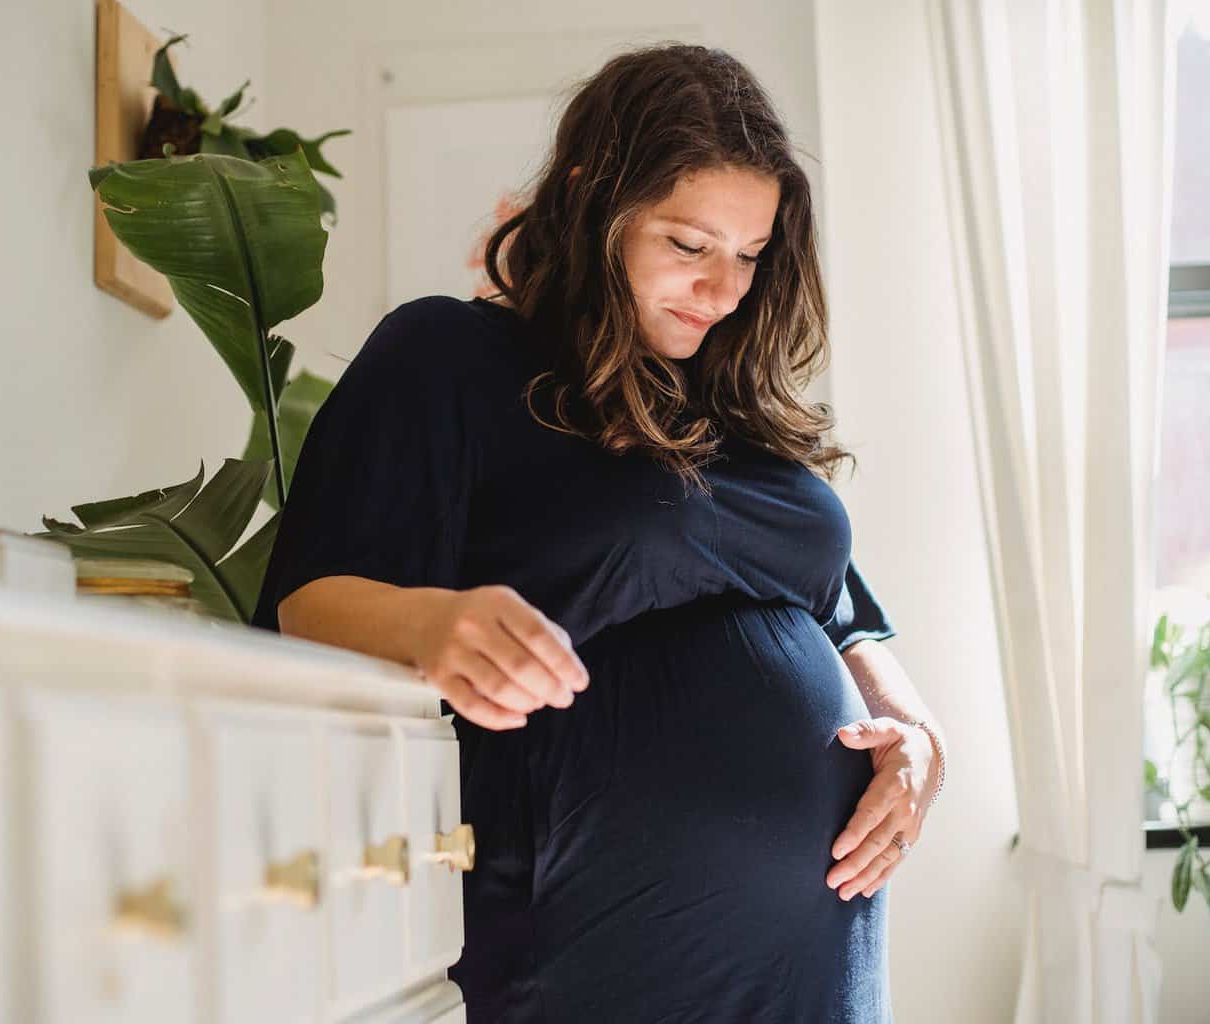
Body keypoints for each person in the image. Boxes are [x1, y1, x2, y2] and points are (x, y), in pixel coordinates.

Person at [251, 41, 946, 1023]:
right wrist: (430, 624)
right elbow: (305, 602)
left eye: (750, 255)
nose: (723, 289)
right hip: (595, 951)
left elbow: (841, 606)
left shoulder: (729, 401)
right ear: (590, 201)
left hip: (816, 959)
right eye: (689, 244)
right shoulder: (451, 361)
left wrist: (919, 738)